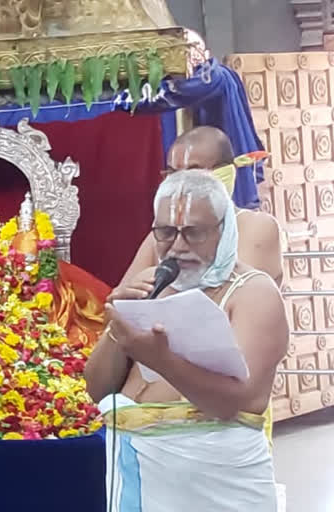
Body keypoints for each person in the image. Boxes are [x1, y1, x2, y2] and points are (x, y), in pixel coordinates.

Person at [85, 170, 287, 511]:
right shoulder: (151, 287)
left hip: (218, 492)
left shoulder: (253, 293)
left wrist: (161, 360)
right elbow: (97, 388)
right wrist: (117, 322)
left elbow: (234, 403)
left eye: (193, 233)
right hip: (137, 477)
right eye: (165, 232)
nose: (178, 247)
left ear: (224, 232)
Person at [111, 126, 283, 300]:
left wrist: (158, 281)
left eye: (193, 172)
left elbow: (234, 296)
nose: (182, 184)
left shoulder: (256, 226)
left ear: (225, 174)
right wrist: (124, 299)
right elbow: (122, 295)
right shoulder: (164, 233)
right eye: (173, 173)